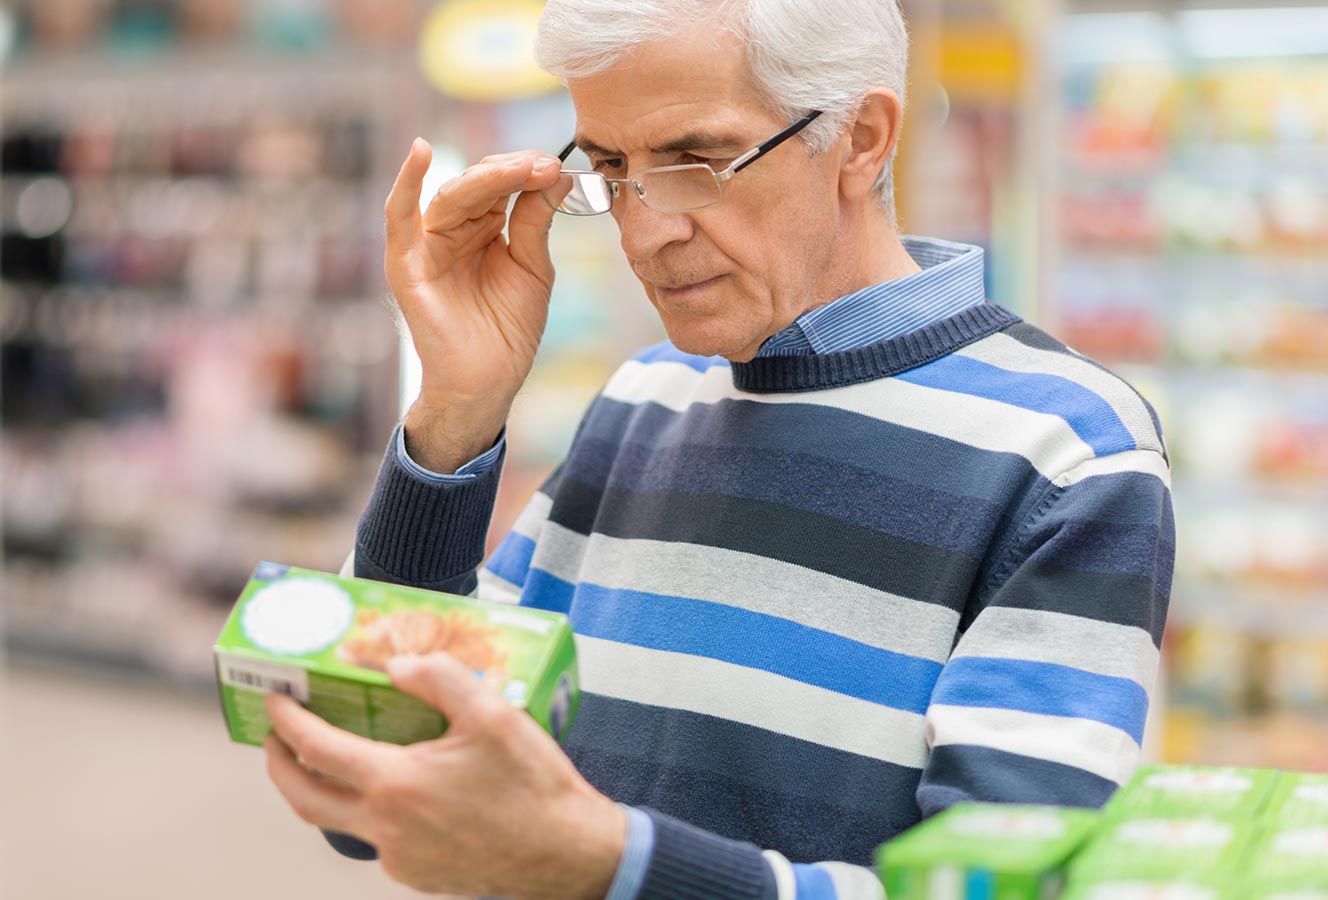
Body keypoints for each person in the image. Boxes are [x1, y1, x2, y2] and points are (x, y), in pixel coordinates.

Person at [259, 1, 1174, 898]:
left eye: (696, 161)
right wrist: (456, 411)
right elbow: (380, 775)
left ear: (861, 140)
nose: (645, 229)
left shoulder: (1067, 452)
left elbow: (1002, 892)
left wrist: (604, 865)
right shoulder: (644, 398)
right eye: (612, 169)